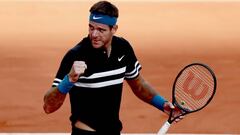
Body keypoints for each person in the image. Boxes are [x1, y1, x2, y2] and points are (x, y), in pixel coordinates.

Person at [43, 1, 183, 135]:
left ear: (114, 29)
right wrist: (69, 80)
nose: (94, 34)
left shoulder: (123, 48)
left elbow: (139, 85)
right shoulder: (75, 55)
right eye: (91, 27)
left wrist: (162, 105)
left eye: (101, 30)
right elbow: (48, 107)